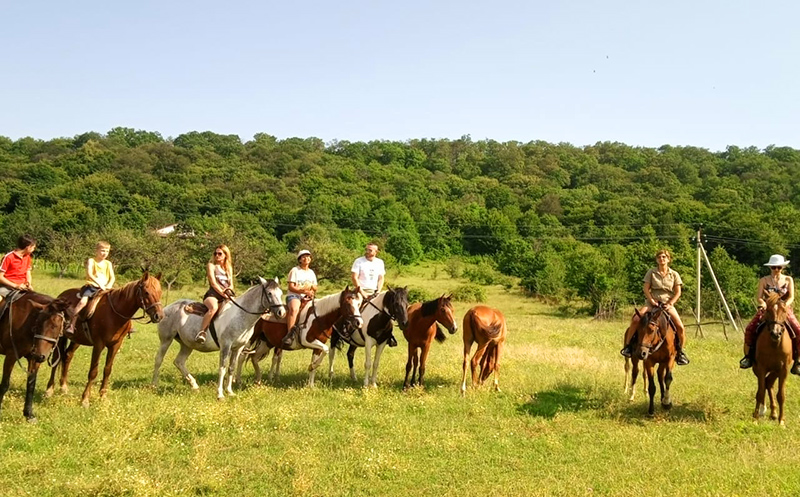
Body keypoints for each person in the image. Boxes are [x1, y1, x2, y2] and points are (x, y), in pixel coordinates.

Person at [620, 249, 689, 366]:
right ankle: (628, 347)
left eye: (664, 257)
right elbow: (646, 288)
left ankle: (680, 352)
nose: (661, 259)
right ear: (656, 260)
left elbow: (678, 292)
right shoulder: (651, 272)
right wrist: (651, 300)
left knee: (680, 327)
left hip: (667, 304)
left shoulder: (674, 274)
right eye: (659, 257)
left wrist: (671, 303)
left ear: (668, 259)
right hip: (652, 303)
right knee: (636, 319)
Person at [739, 254, 800, 375]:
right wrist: (763, 304)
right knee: (750, 328)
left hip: (783, 309)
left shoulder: (788, 280)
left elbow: (792, 296)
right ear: (770, 267)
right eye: (773, 267)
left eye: (779, 267)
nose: (776, 269)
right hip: (767, 309)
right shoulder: (764, 280)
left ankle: (797, 361)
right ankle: (748, 357)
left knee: (798, 330)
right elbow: (759, 297)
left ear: (782, 267)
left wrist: (785, 306)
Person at [65, 241, 116, 338]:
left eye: (107, 251)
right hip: (92, 286)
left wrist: (109, 285)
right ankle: (72, 323)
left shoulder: (108, 264)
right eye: (102, 250)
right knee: (82, 302)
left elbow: (112, 277)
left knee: (118, 300)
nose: (104, 253)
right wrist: (99, 284)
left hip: (105, 287)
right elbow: (90, 274)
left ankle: (127, 326)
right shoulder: (91, 261)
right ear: (96, 251)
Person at [195, 245, 235, 344]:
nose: (217, 255)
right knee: (213, 308)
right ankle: (202, 332)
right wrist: (223, 294)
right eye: (215, 253)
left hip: (226, 295)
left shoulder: (228, 268)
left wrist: (229, 291)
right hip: (213, 295)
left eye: (220, 253)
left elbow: (231, 284)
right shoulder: (211, 266)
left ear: (225, 255)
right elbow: (213, 283)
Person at [282, 249, 318, 346]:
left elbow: (315, 287)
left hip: (307, 296)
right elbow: (291, 287)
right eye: (303, 257)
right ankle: (290, 334)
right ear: (300, 260)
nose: (306, 258)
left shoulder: (311, 272)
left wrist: (311, 289)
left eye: (308, 256)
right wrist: (303, 290)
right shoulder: (295, 270)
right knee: (294, 309)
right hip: (294, 295)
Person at [0, 234, 36, 307]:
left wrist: (29, 283)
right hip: (7, 287)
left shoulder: (28, 257)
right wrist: (16, 286)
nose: (34, 249)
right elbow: (0, 277)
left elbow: (28, 272)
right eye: (33, 247)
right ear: (28, 247)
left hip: (23, 287)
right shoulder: (8, 257)